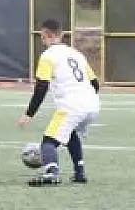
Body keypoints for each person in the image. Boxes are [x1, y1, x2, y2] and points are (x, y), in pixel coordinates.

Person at [17, 19, 101, 187]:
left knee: (48, 141)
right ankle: (79, 173)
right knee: (70, 133)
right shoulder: (76, 54)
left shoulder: (48, 56)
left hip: (71, 106)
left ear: (44, 36)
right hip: (93, 104)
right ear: (61, 35)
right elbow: (95, 83)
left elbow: (41, 87)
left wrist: (29, 114)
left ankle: (51, 173)